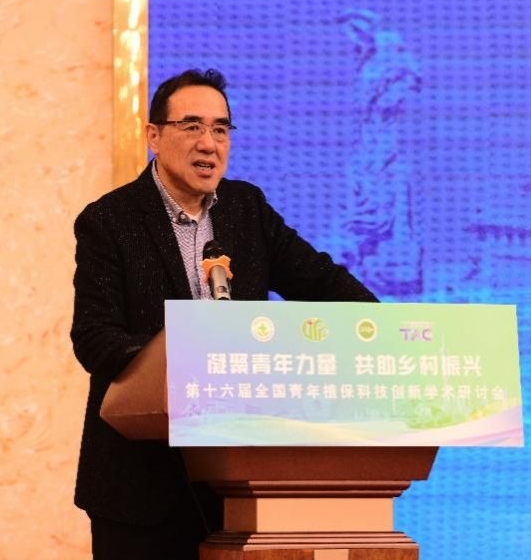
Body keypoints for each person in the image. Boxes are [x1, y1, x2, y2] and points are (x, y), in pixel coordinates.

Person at [70, 68, 377, 559]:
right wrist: (183, 365)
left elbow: (320, 281)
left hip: (240, 481)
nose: (208, 144)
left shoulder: (245, 208)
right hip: (140, 485)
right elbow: (94, 337)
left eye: (220, 129)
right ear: (154, 136)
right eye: (191, 126)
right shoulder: (109, 220)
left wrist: (375, 329)